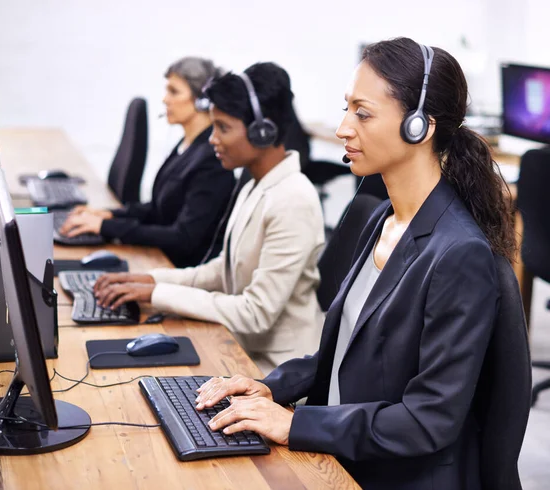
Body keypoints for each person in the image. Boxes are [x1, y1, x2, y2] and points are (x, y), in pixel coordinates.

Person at [193, 38, 517, 490]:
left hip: (397, 475)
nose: (344, 128)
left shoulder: (458, 253)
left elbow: (428, 419)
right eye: (347, 109)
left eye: (362, 113)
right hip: (347, 451)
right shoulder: (385, 216)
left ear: (419, 127)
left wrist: (294, 425)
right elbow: (343, 352)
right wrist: (270, 387)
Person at [94, 62, 326, 374]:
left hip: (274, 368)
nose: (213, 138)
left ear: (263, 131)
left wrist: (158, 295)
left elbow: (256, 313)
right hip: (236, 345)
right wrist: (152, 280)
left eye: (223, 128)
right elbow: (224, 270)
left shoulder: (293, 200)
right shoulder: (255, 184)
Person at [60, 57, 235, 268]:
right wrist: (109, 215)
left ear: (202, 100)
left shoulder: (212, 161)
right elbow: (160, 209)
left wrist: (106, 227)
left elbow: (183, 237)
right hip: (159, 259)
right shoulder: (187, 146)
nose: (165, 99)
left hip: (178, 269)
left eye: (174, 91)